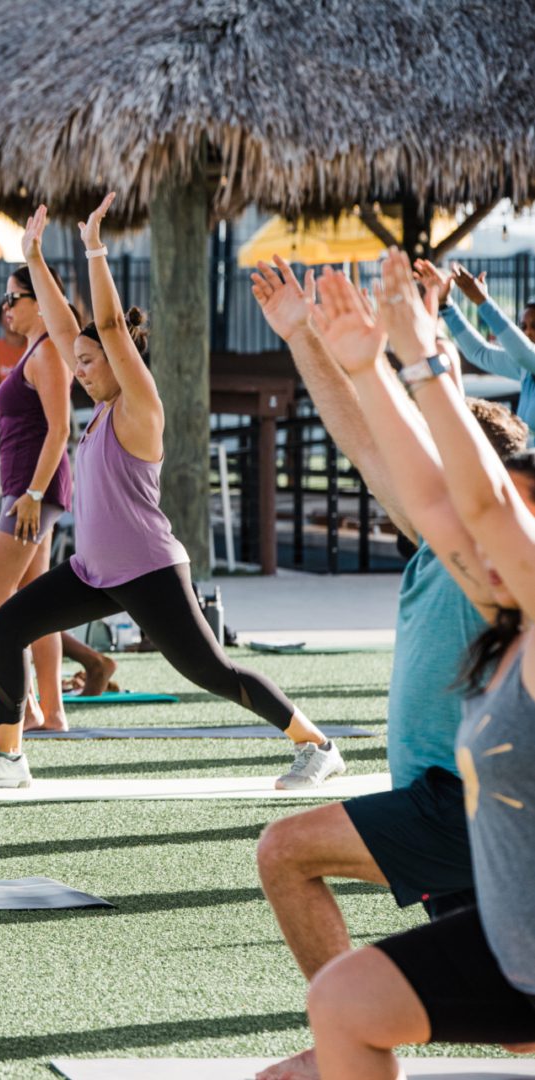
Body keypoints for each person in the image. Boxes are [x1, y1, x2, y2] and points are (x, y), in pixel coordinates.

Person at [249, 254, 529, 1080]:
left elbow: (467, 502)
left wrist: (421, 357)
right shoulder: (469, 576)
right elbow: (392, 464)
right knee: (496, 1027)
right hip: (491, 844)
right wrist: (336, 350)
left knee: (286, 854)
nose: (471, 536)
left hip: (452, 808)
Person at [0, 197, 340, 791]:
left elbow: (105, 327)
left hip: (149, 570)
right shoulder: (101, 411)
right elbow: (66, 327)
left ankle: (317, 746)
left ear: (120, 361)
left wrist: (94, 250)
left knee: (213, 671)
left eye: (88, 362)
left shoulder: (139, 406)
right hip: (92, 572)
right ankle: (8, 759)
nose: (78, 370)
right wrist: (33, 255)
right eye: (74, 363)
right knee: (8, 626)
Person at [0, 215, 115, 732]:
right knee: (32, 606)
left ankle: (25, 707)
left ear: (38, 300)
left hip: (36, 490)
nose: (5, 308)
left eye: (13, 298)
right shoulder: (33, 353)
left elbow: (60, 429)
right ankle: (51, 711)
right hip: (27, 488)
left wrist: (33, 494)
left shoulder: (49, 356)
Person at [429, 260, 535, 431]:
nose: (528, 332)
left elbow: (522, 352)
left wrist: (483, 301)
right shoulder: (525, 368)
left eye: (534, 326)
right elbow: (479, 352)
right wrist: (445, 305)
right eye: (523, 326)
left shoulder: (526, 360)